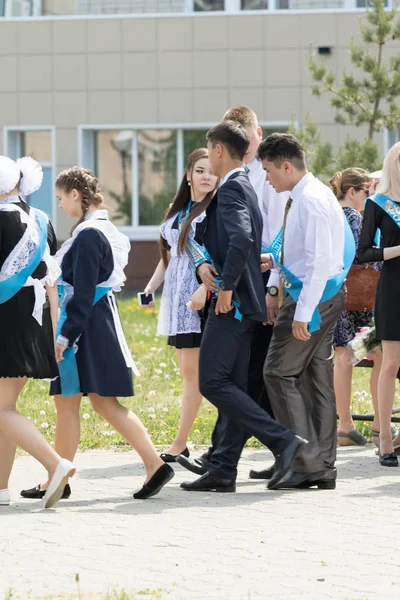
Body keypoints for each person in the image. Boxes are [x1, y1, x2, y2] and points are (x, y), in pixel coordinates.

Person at [21, 167, 174, 500]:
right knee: (76, 401)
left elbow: (85, 288)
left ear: (76, 195)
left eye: (62, 198)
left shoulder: (90, 234)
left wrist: (65, 335)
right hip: (89, 324)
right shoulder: (96, 230)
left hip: (84, 327)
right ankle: (59, 477)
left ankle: (151, 464)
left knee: (90, 402)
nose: (60, 205)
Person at [179, 121, 306, 493]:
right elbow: (242, 242)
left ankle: (283, 441)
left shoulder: (232, 188)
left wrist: (226, 289)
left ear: (218, 150)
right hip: (245, 304)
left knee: (212, 382)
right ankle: (222, 469)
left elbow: (241, 239)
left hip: (231, 306)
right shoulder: (243, 185)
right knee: (234, 385)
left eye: (209, 150)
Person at [260, 133, 355, 490]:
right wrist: (275, 259)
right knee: (316, 378)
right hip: (320, 295)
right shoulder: (308, 196)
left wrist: (303, 312)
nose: (268, 179)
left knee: (278, 373)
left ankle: (303, 460)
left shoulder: (310, 201)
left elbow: (319, 262)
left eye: (269, 170)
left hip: (311, 299)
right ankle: (321, 466)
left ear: (286, 166)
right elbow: (310, 253)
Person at [0, 156, 75, 509]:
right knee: (6, 407)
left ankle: (54, 463)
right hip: (37, 320)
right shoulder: (41, 220)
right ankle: (0, 489)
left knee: (1, 408)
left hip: (7, 320)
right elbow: (51, 277)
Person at [144, 149, 218, 461]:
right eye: (200, 171)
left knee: (194, 374)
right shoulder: (180, 211)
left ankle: (181, 442)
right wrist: (150, 288)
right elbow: (170, 257)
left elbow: (218, 255)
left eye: (211, 171)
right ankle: (184, 441)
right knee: (187, 372)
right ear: (188, 175)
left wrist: (204, 288)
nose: (206, 176)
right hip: (177, 300)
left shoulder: (214, 209)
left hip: (200, 298)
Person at [330, 168, 382, 446]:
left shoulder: (330, 215)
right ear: (352, 192)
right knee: (382, 356)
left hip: (338, 293)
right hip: (362, 297)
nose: (368, 196)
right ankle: (378, 424)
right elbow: (366, 255)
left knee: (342, 357)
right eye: (366, 191)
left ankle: (345, 425)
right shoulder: (354, 218)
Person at [358, 142, 400, 466]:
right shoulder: (378, 204)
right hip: (393, 288)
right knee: (391, 364)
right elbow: (364, 252)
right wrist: (396, 250)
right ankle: (384, 437)